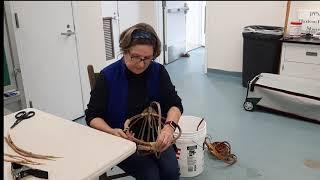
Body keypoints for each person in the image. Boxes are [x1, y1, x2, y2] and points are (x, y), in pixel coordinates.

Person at [85, 22, 183, 180]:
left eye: (147, 58)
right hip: (123, 141)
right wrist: (111, 131)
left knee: (171, 172)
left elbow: (175, 105)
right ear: (124, 50)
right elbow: (92, 116)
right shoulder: (108, 76)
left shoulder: (158, 72)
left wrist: (168, 129)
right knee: (150, 175)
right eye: (135, 57)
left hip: (156, 136)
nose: (141, 64)